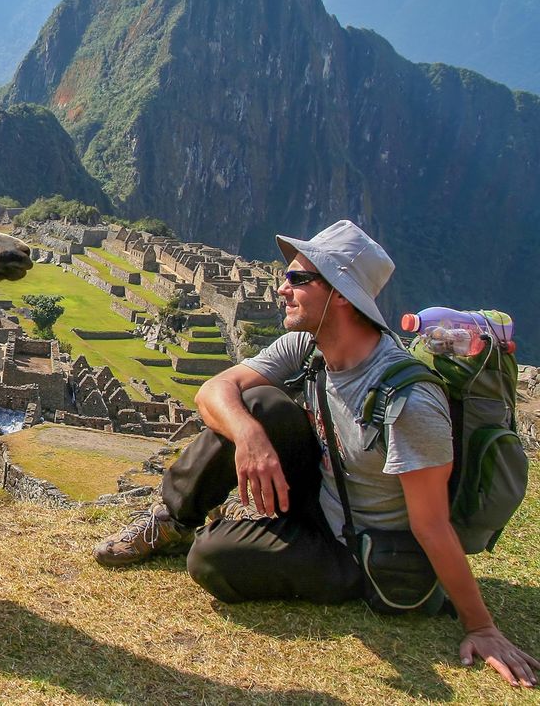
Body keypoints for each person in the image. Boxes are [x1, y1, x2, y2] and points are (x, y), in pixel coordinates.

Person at [93, 220, 538, 689]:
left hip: (360, 548)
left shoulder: (407, 401)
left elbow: (431, 525)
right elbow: (214, 390)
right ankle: (171, 521)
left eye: (298, 279)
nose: (282, 289)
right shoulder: (309, 346)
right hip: (321, 495)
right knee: (256, 406)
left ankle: (241, 542)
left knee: (212, 559)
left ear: (342, 294)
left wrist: (480, 626)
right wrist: (249, 437)